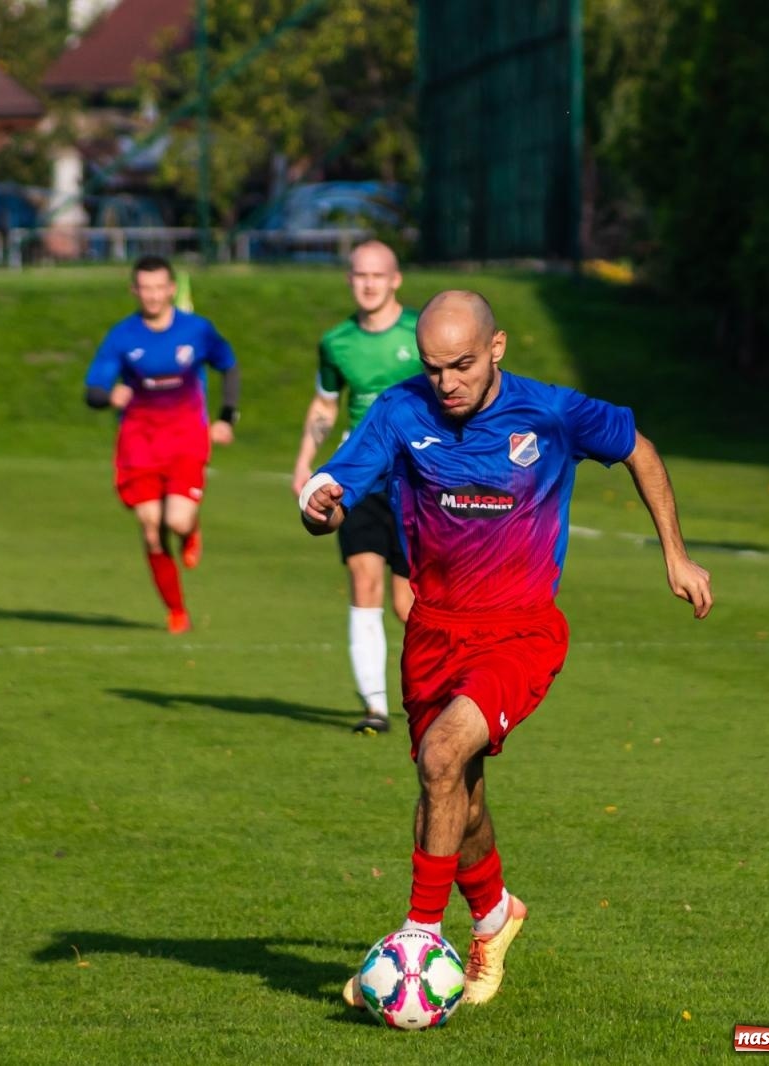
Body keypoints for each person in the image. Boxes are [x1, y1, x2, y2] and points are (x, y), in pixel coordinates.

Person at [299, 290, 712, 1008]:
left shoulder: (552, 411)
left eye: (461, 365)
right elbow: (337, 481)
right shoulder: (402, 411)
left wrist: (675, 555)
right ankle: (495, 917)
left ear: (496, 349)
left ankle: (417, 941)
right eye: (433, 369)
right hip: (433, 632)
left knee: (439, 757)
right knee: (454, 793)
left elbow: (638, 447)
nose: (447, 383)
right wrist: (317, 501)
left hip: (519, 631)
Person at [291, 241, 420, 734]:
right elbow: (326, 405)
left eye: (377, 275)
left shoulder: (421, 333)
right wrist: (306, 462)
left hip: (416, 480)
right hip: (358, 477)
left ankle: (430, 693)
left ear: (395, 280)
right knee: (363, 581)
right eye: (359, 275)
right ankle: (375, 707)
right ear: (349, 280)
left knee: (409, 604)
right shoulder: (336, 342)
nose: (368, 283)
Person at [84, 255, 239, 633]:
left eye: (159, 288)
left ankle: (191, 529)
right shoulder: (122, 336)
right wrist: (108, 397)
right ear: (134, 290)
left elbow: (228, 364)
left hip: (186, 437)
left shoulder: (197, 330)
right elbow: (93, 389)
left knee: (176, 519)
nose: (152, 296)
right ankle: (176, 611)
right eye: (145, 288)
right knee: (152, 527)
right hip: (139, 441)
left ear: (171, 289)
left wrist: (226, 416)